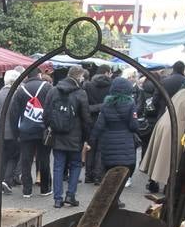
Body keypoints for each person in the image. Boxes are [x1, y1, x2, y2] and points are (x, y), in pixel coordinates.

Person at [44, 65, 92, 208]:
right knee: (76, 165)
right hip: (75, 136)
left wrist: (49, 128)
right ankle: (70, 195)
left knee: (58, 166)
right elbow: (86, 118)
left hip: (58, 135)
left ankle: (57, 199)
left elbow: (46, 113)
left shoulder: (53, 91)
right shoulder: (81, 93)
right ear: (78, 77)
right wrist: (86, 137)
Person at [8, 65, 53, 197]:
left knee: (26, 161)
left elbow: (13, 114)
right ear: (39, 75)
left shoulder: (20, 90)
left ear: (27, 76)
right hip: (43, 130)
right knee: (44, 159)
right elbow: (51, 109)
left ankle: (27, 190)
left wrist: (16, 133)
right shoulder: (47, 87)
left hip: (26, 131)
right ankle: (45, 188)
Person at [88, 77, 141, 190]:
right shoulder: (131, 104)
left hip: (109, 142)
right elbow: (134, 125)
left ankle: (111, 197)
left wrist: (91, 140)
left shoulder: (106, 104)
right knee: (123, 172)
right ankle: (117, 198)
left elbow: (99, 125)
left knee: (110, 172)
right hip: (125, 142)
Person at [0, 68, 23, 189]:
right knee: (14, 156)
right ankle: (7, 179)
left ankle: (1, 181)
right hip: (12, 132)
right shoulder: (16, 94)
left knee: (2, 157)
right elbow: (17, 114)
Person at [83, 70, 113, 183]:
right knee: (101, 148)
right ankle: (98, 175)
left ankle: (88, 175)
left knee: (90, 147)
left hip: (90, 120)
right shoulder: (111, 87)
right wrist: (103, 106)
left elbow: (85, 106)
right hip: (105, 120)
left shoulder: (88, 86)